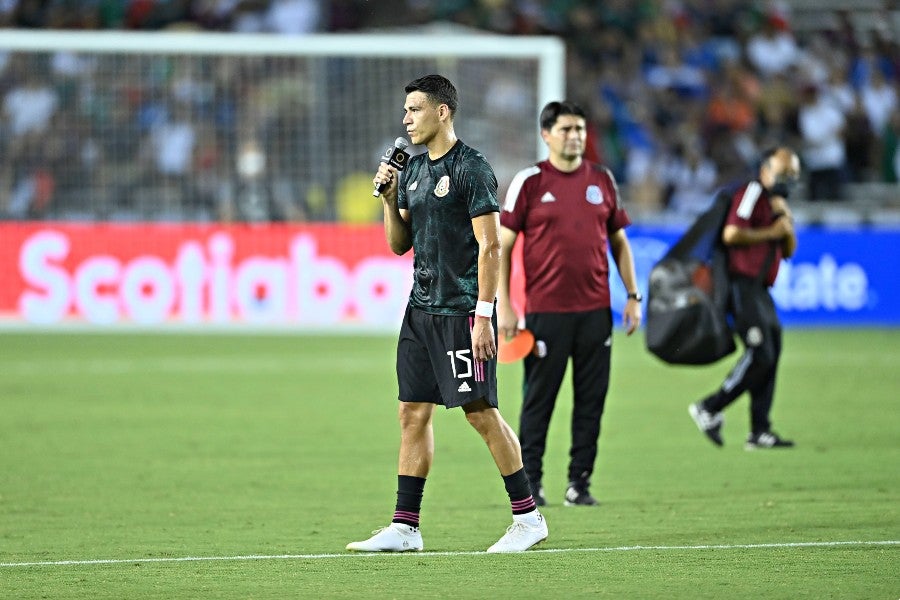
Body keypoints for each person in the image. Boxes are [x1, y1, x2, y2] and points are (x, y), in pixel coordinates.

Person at [346, 74, 547, 553]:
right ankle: (405, 527)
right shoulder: (412, 171)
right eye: (404, 110)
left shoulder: (472, 168)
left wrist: (483, 316)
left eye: (415, 109)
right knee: (412, 413)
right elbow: (400, 246)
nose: (406, 119)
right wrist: (391, 199)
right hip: (420, 311)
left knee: (480, 413)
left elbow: (491, 246)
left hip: (462, 312)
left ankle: (528, 518)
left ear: (443, 112)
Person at [496, 100, 642, 507]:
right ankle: (533, 484)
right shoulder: (529, 182)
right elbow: (502, 248)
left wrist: (632, 296)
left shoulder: (602, 179)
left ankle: (579, 484)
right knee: (538, 401)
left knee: (591, 402)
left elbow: (619, 242)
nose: (575, 136)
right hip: (545, 313)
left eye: (579, 128)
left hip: (596, 312)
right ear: (546, 134)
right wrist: (504, 304)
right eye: (566, 129)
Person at [688, 146, 799, 450]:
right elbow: (732, 233)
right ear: (765, 171)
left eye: (792, 175)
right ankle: (710, 407)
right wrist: (771, 231)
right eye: (783, 173)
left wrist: (783, 221)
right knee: (760, 352)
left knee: (772, 349)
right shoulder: (752, 192)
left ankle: (759, 430)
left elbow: (788, 250)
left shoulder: (777, 203)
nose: (788, 180)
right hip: (738, 284)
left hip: (759, 288)